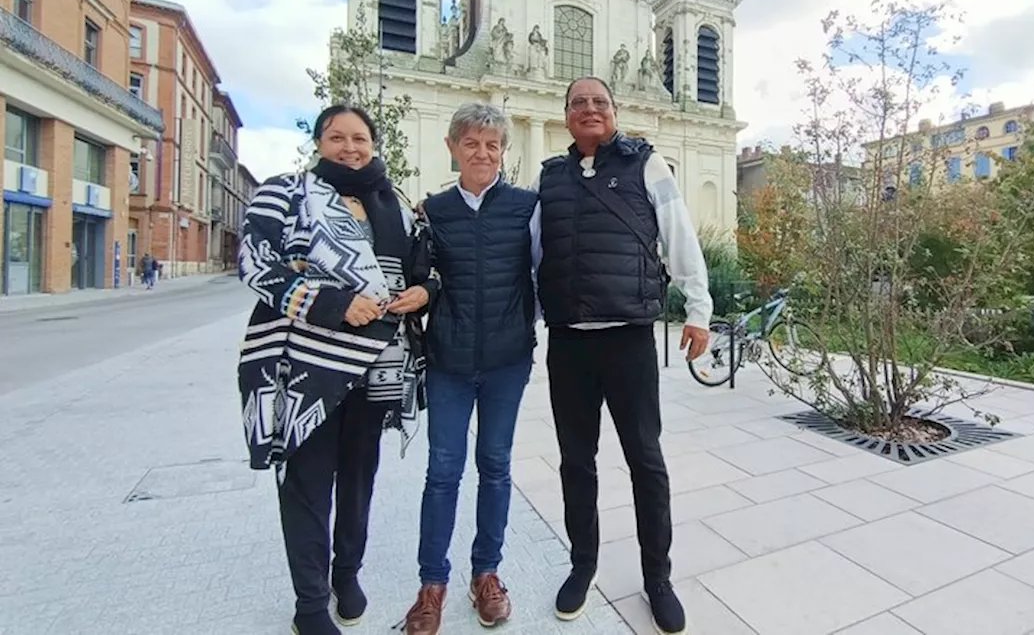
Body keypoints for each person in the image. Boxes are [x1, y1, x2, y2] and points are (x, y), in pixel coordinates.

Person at [236, 105, 432, 635]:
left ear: (374, 143)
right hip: (308, 368)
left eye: (361, 138)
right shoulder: (286, 192)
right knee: (306, 483)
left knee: (360, 479)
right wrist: (331, 303)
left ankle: (347, 574)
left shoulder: (394, 203)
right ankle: (309, 603)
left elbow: (421, 267)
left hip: (377, 367)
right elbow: (254, 263)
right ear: (318, 142)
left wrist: (424, 290)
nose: (350, 147)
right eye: (337, 137)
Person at [535, 76, 711, 635]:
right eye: (578, 103)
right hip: (569, 343)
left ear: (615, 112)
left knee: (645, 461)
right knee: (575, 462)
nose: (589, 109)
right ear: (566, 116)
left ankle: (657, 578)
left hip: (628, 339)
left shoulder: (647, 166)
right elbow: (535, 255)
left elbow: (680, 237)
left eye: (599, 102)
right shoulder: (550, 177)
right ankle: (582, 565)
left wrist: (698, 308)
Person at [401, 103, 539, 635]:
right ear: (453, 147)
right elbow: (421, 275)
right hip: (450, 362)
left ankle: (487, 574)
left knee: (497, 466)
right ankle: (431, 584)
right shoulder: (431, 211)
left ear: (504, 152)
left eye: (493, 145)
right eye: (472, 143)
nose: (483, 153)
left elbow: (548, 269)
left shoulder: (527, 206)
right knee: (442, 472)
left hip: (507, 362)